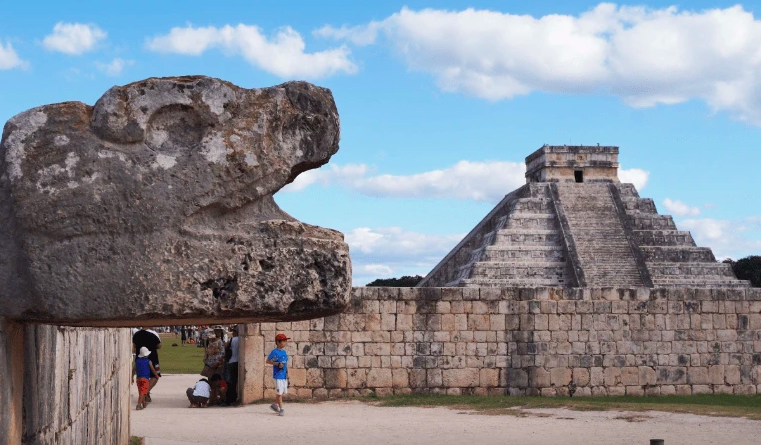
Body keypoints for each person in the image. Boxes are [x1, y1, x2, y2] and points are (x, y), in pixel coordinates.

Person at [133, 327, 162, 402]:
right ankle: (145, 392)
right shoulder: (154, 333)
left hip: (139, 358)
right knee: (155, 376)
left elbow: (134, 347)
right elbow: (159, 346)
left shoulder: (136, 334)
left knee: (140, 376)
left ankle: (143, 393)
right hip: (153, 358)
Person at [266, 333, 290, 416]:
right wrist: (277, 364)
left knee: (282, 392)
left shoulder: (284, 352)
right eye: (284, 341)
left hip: (283, 375)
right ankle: (281, 409)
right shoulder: (274, 352)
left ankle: (275, 405)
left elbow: (286, 363)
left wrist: (287, 373)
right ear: (278, 342)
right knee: (279, 393)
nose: (285, 343)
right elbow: (268, 361)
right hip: (278, 375)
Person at [225, 325, 240, 405]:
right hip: (238, 362)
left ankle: (230, 399)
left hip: (231, 361)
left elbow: (226, 347)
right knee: (237, 381)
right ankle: (236, 397)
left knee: (230, 382)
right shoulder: (241, 340)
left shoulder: (231, 340)